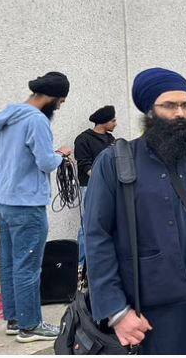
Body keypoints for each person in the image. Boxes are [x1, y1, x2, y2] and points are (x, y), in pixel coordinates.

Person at [84, 68, 186, 354]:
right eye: (170, 105)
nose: (180, 113)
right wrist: (116, 311)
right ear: (149, 111)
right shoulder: (114, 161)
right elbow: (95, 236)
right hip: (145, 310)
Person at [0, 72, 72, 343]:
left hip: (2, 200)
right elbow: (46, 162)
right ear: (50, 98)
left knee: (10, 262)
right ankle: (30, 326)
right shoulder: (37, 120)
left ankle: (15, 320)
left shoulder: (7, 116)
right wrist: (60, 155)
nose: (59, 107)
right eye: (60, 102)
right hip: (26, 205)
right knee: (28, 266)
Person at [73, 105, 117, 266]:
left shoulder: (111, 140)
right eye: (113, 120)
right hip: (90, 187)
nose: (115, 124)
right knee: (88, 225)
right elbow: (85, 166)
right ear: (103, 122)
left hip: (110, 188)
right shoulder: (83, 139)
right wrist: (104, 178)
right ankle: (81, 265)